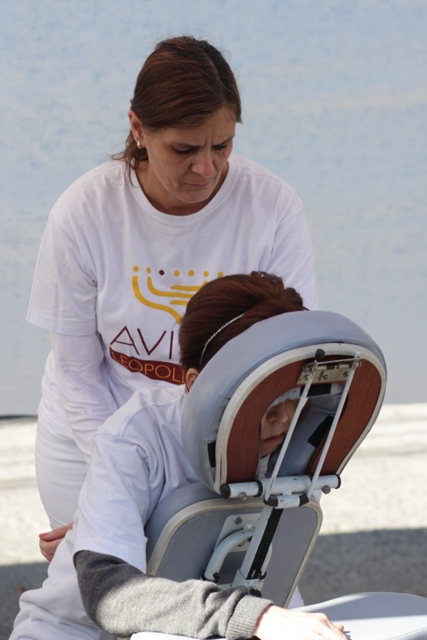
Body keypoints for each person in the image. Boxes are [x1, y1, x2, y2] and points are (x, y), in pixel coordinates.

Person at [27, 35, 318, 558]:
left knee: (226, 589)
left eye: (222, 145)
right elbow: (78, 373)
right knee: (102, 587)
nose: (206, 168)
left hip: (225, 442)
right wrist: (114, 497)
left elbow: (286, 359)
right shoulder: (83, 212)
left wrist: (213, 469)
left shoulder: (272, 206)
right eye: (184, 150)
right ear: (139, 129)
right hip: (93, 434)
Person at [11, 272, 344, 640]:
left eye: (293, 393)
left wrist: (266, 616)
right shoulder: (135, 438)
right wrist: (256, 617)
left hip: (214, 622)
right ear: (196, 385)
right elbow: (109, 595)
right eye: (261, 396)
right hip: (77, 632)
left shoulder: (296, 438)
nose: (283, 416)